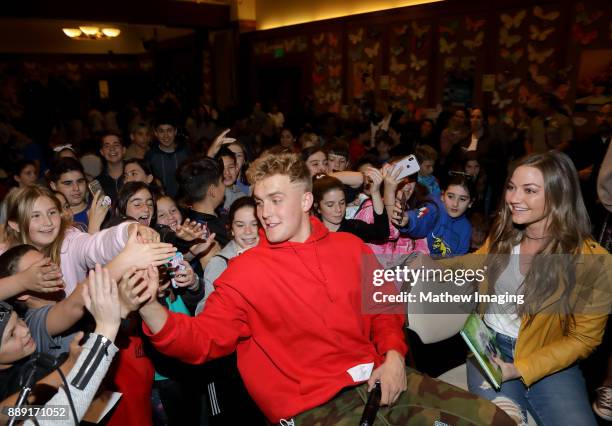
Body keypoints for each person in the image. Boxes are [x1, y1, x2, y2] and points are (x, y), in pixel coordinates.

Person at [121, 152, 514, 425]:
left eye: (276, 200)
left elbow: (385, 306)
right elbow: (200, 341)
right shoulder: (246, 272)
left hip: (382, 378)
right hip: (313, 410)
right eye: (259, 202)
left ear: (306, 199)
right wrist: (151, 308)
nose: (265, 213)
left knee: (495, 421)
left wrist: (394, 356)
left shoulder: (351, 247)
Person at [462, 151, 609, 425]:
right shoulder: (504, 232)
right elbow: (476, 263)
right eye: (511, 187)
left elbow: (584, 339)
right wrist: (427, 265)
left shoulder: (595, 262)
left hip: (549, 359)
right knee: (504, 421)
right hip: (489, 346)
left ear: (558, 196)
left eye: (529, 190)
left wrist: (520, 369)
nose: (514, 199)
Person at [0, 264, 121, 425]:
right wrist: (66, 369)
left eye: (19, 320)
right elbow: (6, 413)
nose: (24, 331)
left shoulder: (38, 360)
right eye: (12, 335)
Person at [392, 175, 474, 257]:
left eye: (462, 199)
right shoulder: (433, 208)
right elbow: (420, 215)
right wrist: (409, 219)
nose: (455, 204)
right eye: (450, 196)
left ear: (470, 203)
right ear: (442, 195)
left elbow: (460, 258)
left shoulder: (466, 228)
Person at [312, 171, 389, 244]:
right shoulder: (310, 233)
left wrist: (375, 192)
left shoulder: (353, 228)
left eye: (342, 203)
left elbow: (382, 233)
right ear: (317, 207)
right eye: (330, 205)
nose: (338, 209)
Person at [178, 156, 229, 246]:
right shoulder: (204, 234)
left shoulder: (187, 217)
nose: (224, 186)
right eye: (222, 181)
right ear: (212, 190)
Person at [145, 117, 191, 198]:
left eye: (169, 130)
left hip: (185, 200)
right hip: (160, 200)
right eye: (161, 131)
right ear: (156, 133)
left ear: (175, 131)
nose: (166, 135)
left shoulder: (185, 152)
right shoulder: (151, 155)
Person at [46, 158, 90, 231]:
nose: (76, 188)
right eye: (68, 183)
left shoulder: (103, 211)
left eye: (80, 181)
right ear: (53, 186)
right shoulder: (50, 222)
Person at [96, 132, 126, 201]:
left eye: (116, 145)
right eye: (107, 146)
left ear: (123, 150)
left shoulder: (135, 174)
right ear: (102, 152)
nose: (112, 148)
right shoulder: (97, 183)